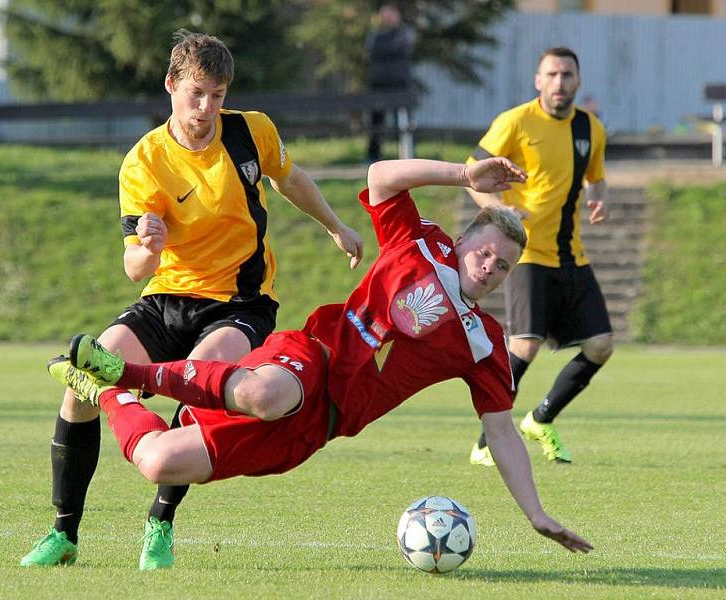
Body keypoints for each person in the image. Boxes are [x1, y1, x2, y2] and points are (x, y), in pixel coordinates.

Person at [48, 156, 594, 558]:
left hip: (321, 425)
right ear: (463, 239)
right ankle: (130, 372)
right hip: (313, 356)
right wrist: (463, 174)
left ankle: (108, 390)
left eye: (503, 266)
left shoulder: (484, 343)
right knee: (265, 392)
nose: (489, 266)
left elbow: (500, 432)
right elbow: (380, 177)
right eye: (485, 251)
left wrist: (536, 514)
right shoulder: (420, 242)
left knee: (159, 462)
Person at [20, 30, 363, 571]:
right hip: (167, 295)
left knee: (202, 376)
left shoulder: (252, 132)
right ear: (171, 86)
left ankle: (159, 523)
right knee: (85, 381)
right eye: (196, 93)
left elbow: (289, 178)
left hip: (240, 301)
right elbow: (134, 266)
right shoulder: (145, 161)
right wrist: (149, 249)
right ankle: (63, 533)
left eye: (218, 95)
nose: (207, 108)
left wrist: (336, 226)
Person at [466, 47, 613, 468]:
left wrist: (600, 200)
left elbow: (597, 179)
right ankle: (485, 443)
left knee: (602, 345)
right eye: (552, 74)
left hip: (571, 256)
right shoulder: (515, 121)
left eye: (567, 73)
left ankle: (541, 418)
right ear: (538, 80)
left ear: (578, 80)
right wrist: (499, 210)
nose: (560, 81)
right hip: (526, 253)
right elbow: (470, 172)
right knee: (525, 345)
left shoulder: (591, 128)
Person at [366, 4, 415, 163]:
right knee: (376, 123)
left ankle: (407, 155)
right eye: (384, 16)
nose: (387, 19)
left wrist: (386, 51)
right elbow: (373, 51)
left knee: (403, 122)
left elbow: (401, 49)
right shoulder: (375, 36)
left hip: (399, 86)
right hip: (379, 86)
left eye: (390, 15)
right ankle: (373, 155)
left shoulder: (404, 34)